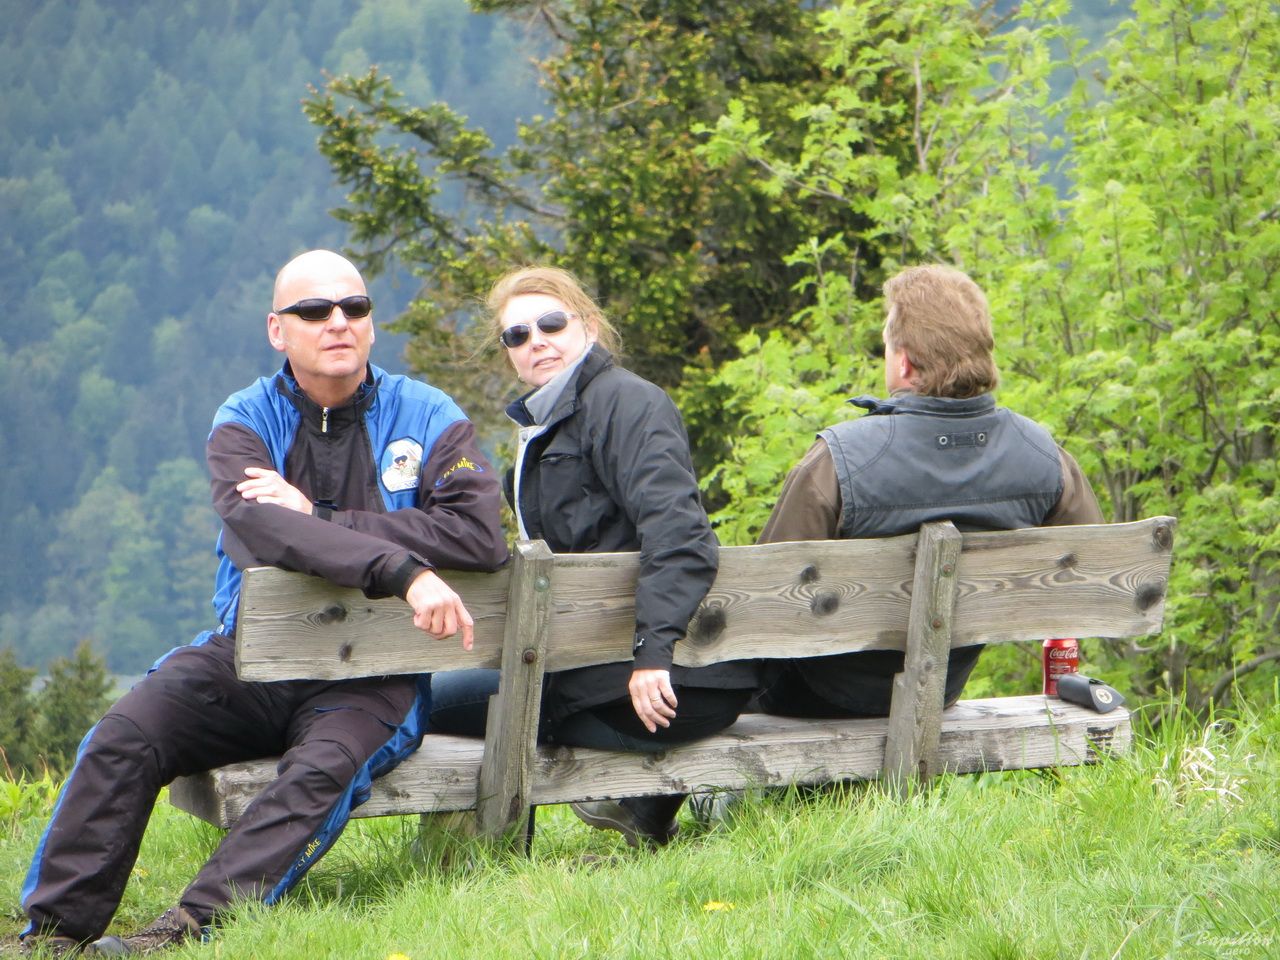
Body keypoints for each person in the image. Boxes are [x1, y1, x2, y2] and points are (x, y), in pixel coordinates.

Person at [19, 250, 508, 956]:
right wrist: (401, 567)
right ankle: (54, 935)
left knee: (322, 771)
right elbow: (265, 530)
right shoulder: (246, 419)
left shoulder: (429, 415)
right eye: (314, 310)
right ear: (278, 330)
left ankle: (186, 930)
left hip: (376, 679)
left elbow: (479, 535)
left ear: (372, 323)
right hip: (249, 658)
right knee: (124, 734)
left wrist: (322, 517)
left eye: (355, 307)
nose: (338, 321)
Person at [428, 266, 758, 847]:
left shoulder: (625, 404)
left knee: (415, 706)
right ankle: (638, 810)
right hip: (614, 672)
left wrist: (652, 654)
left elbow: (680, 534)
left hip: (654, 686)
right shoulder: (552, 425)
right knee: (451, 691)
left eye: (551, 323)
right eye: (517, 335)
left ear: (589, 326)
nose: (536, 341)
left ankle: (469, 857)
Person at [753, 264, 1104, 718]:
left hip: (814, 694)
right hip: (942, 686)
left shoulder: (838, 460)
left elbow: (765, 599)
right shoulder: (1043, 455)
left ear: (903, 361)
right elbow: (1092, 577)